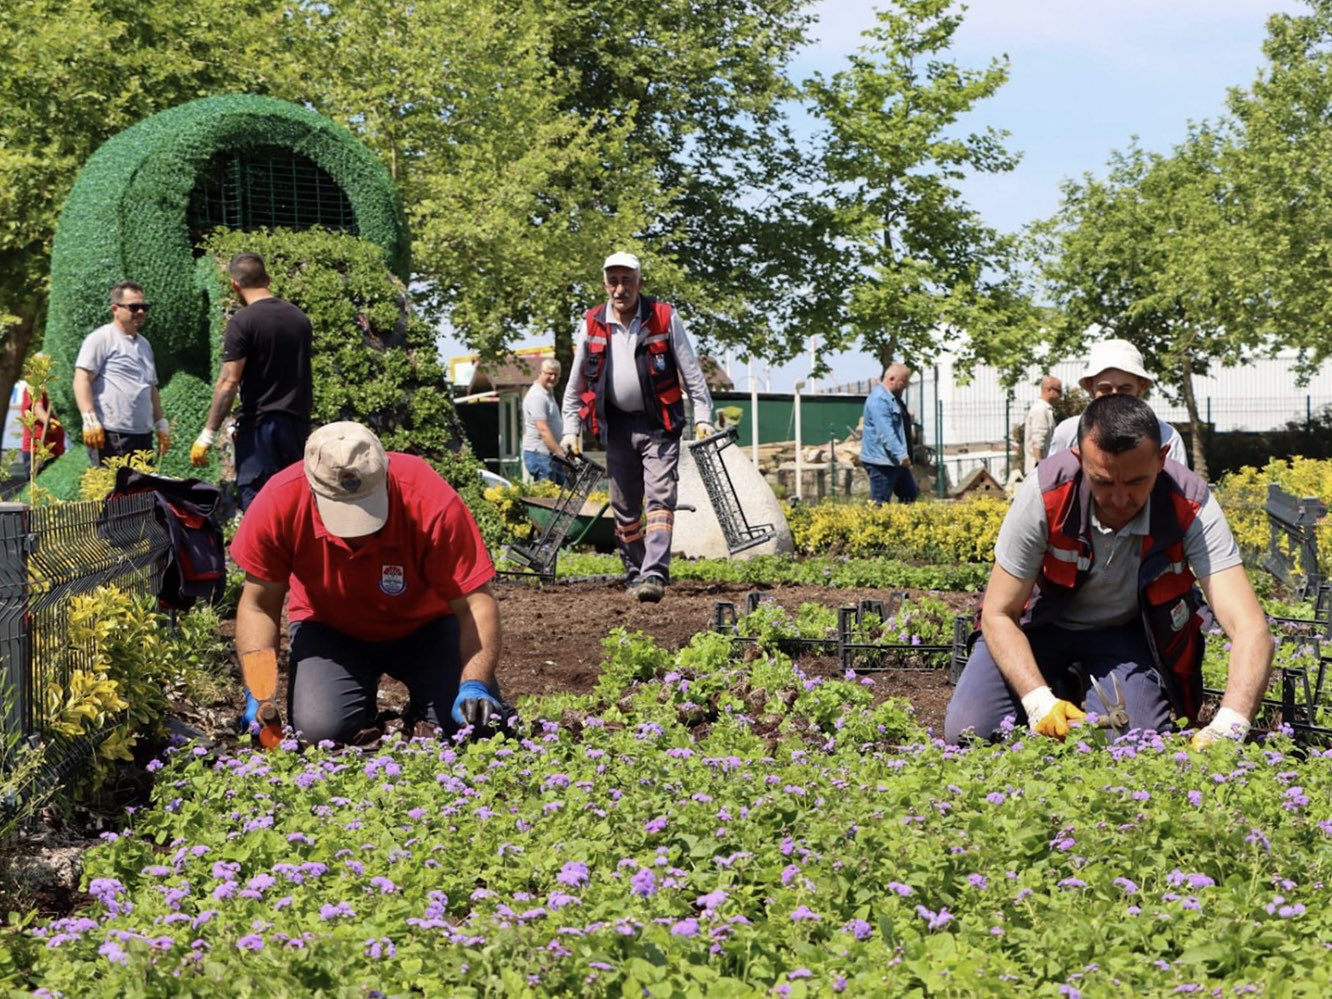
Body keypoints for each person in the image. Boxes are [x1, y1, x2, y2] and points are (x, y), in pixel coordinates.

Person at [944, 394, 1271, 748]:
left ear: (1161, 460)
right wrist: (1038, 701)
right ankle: (1057, 681)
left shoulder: (1190, 501)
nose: (1118, 499)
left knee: (1134, 744)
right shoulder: (1045, 491)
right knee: (970, 733)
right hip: (1039, 628)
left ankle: (1075, 680)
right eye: (1102, 481)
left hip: (1124, 638)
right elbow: (998, 613)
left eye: (1134, 483)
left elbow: (1251, 627)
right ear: (1079, 459)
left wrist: (1232, 724)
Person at [228, 421, 506, 745]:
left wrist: (474, 683)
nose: (357, 530)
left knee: (472, 726)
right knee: (321, 734)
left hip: (427, 627)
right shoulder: (279, 501)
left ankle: (427, 704)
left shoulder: (429, 499)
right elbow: (260, 604)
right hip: (331, 630)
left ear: (385, 473)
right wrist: (259, 691)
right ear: (312, 486)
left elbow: (476, 602)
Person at [560, 251, 713, 603]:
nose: (620, 288)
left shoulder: (663, 317)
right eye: (613, 281)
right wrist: (571, 429)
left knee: (661, 497)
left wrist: (703, 416)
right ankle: (638, 573)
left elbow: (692, 375)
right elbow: (576, 384)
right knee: (625, 507)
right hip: (617, 426)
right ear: (604, 285)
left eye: (627, 280)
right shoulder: (592, 323)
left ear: (639, 283)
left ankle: (655, 573)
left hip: (658, 423)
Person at [191, 253, 313, 511]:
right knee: (296, 505)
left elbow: (228, 383)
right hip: (297, 427)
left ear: (235, 284)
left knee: (260, 509)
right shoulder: (299, 318)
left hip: (260, 429)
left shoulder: (243, 322)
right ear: (267, 279)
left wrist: (208, 434)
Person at [1046, 339, 1187, 465]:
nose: (1115, 396)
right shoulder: (1068, 433)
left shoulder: (1166, 437)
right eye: (1105, 389)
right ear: (1090, 387)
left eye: (1124, 389)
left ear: (1141, 387)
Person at [73, 281, 170, 464]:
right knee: (114, 491)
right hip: (112, 434)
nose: (140, 312)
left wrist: (161, 423)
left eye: (144, 307)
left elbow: (150, 387)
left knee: (141, 492)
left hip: (142, 434)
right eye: (134, 307)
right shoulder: (101, 338)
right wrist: (89, 418)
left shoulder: (144, 344)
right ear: (115, 309)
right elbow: (81, 379)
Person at [860, 363, 917, 504]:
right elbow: (886, 432)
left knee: (909, 494)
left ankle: (902, 524)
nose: (906, 385)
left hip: (895, 461)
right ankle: (877, 525)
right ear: (891, 378)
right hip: (881, 461)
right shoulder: (879, 400)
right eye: (903, 381)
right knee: (880, 503)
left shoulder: (893, 398)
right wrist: (901, 455)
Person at [522, 358, 567, 484]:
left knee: (558, 497)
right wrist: (560, 453)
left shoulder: (548, 393)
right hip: (540, 455)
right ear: (540, 373)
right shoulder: (538, 396)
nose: (553, 378)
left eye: (556, 375)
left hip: (550, 454)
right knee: (547, 499)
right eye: (549, 374)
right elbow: (542, 429)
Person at [1023, 376, 1062, 475]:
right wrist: (1041, 469)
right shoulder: (1041, 410)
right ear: (1049, 390)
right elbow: (1038, 442)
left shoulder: (1045, 410)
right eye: (1059, 391)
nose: (1061, 395)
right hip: (1038, 471)